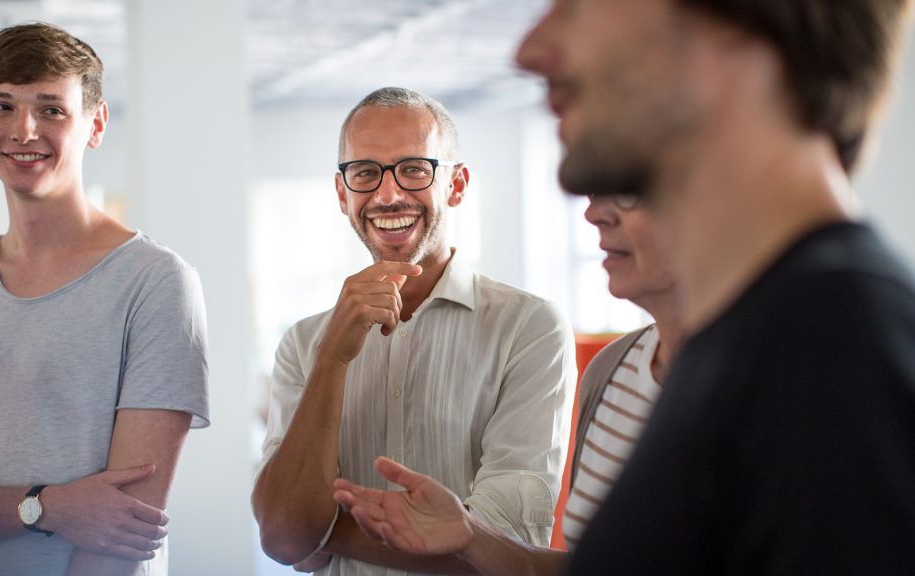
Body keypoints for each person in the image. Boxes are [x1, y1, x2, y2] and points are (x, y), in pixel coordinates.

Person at [339, 0, 915, 573]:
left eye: (581, 8)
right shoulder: (748, 339)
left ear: (736, 34)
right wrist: (470, 537)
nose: (531, 50)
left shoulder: (839, 353)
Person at [0, 23, 209, 576]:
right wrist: (46, 506)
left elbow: (122, 527)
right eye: (3, 106)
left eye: (51, 109)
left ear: (96, 124)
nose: (24, 130)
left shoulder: (156, 283)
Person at [251, 86, 576, 575]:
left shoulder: (529, 328)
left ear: (457, 184)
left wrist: (322, 529)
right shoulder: (304, 344)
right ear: (343, 194)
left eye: (414, 169)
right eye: (365, 173)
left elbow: (500, 550)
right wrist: (332, 360)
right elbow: (282, 538)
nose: (387, 194)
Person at [332, 192, 684, 575]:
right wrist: (471, 536)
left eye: (630, 189)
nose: (594, 212)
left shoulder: (755, 385)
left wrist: (325, 532)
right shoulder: (611, 370)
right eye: (597, 193)